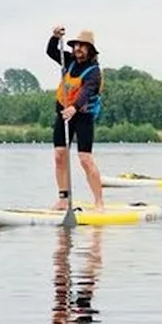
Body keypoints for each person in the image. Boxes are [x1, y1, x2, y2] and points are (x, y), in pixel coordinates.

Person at [46, 26, 105, 211]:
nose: (78, 48)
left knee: (85, 159)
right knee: (59, 156)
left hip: (83, 116)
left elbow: (86, 92)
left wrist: (74, 107)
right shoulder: (68, 60)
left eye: (83, 46)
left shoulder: (94, 71)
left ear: (90, 50)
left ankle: (99, 202)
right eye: (76, 45)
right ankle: (63, 199)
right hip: (63, 113)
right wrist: (54, 37)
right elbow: (51, 51)